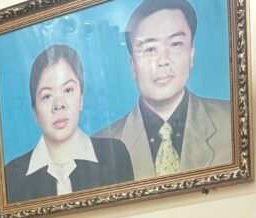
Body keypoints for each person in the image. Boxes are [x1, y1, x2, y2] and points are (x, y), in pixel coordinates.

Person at [96, 0, 232, 177]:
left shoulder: (233, 121)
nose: (163, 61)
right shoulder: (99, 148)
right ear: (133, 66)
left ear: (191, 54)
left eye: (175, 44)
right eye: (150, 49)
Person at [4, 44, 134, 204]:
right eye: (47, 96)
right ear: (35, 111)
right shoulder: (12, 176)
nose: (59, 105)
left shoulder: (114, 154)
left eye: (68, 90)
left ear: (81, 99)